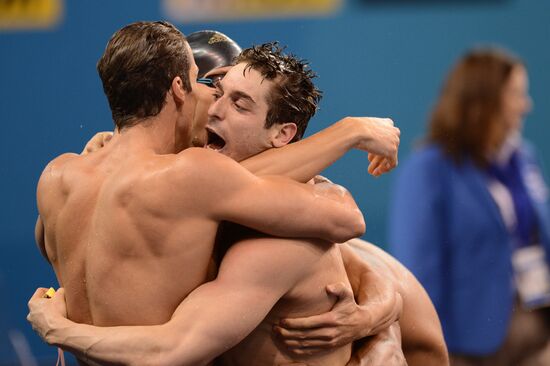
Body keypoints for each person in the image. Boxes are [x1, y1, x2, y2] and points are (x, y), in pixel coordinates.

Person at [29, 30, 447, 365]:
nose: (214, 108)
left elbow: (359, 250)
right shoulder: (158, 188)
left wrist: (376, 320)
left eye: (235, 100)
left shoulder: (68, 175)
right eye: (212, 88)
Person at [389, 47, 550, 366]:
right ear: (485, 100)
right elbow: (418, 269)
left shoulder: (523, 158)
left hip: (534, 325)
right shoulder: (429, 168)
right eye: (517, 94)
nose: (526, 105)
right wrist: (428, 346)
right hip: (468, 345)